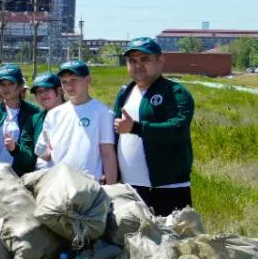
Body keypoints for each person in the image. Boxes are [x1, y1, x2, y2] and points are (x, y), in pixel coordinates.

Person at [113, 37, 196, 216]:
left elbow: (178, 128)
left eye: (145, 59)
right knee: (133, 241)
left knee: (174, 241)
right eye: (132, 61)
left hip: (168, 188)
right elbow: (115, 133)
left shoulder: (175, 92)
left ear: (160, 61)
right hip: (129, 187)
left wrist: (135, 128)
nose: (138, 65)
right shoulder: (124, 93)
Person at [36, 60, 118, 184]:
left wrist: (112, 187)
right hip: (57, 184)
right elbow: (45, 153)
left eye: (74, 80)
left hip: (89, 186)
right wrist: (41, 151)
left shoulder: (103, 113)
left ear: (87, 80)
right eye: (64, 82)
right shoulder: (54, 114)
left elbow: (107, 154)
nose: (69, 86)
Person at [0, 65, 42, 175]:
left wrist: (15, 149)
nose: (6, 88)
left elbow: (31, 156)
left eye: (11, 83)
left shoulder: (33, 112)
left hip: (20, 178)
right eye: (2, 84)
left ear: (21, 86)